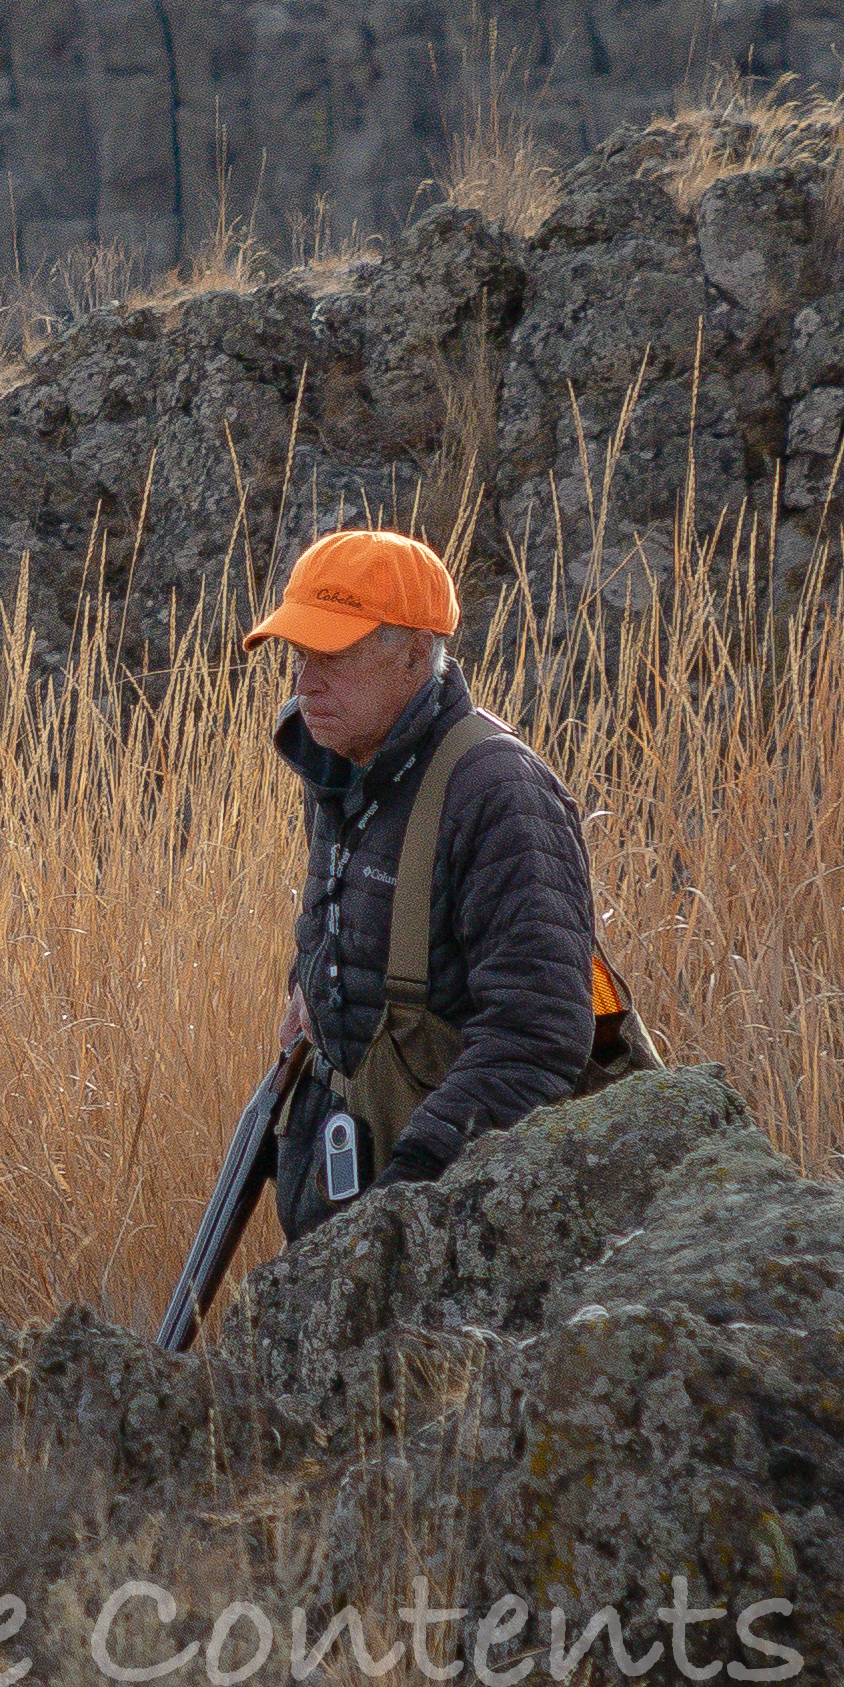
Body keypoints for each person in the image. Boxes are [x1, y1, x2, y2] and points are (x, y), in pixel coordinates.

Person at [245, 524, 641, 1231]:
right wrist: (310, 980)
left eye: (332, 655)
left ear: (414, 655)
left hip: (456, 1212)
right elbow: (356, 920)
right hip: (347, 1171)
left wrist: (411, 1198)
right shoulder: (338, 758)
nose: (305, 682)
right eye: (300, 654)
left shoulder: (499, 793)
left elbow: (538, 1030)